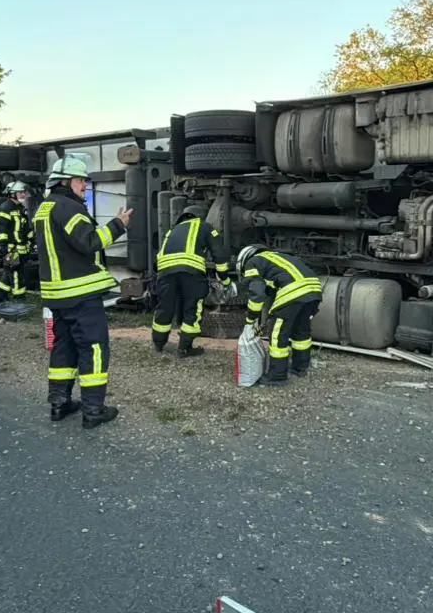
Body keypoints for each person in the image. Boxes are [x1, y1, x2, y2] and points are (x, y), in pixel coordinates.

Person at [32, 155, 132, 428]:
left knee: (63, 348)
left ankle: (59, 404)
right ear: (64, 181)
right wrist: (118, 225)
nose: (84, 185)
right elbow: (89, 242)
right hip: (80, 293)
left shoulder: (44, 208)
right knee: (94, 348)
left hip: (57, 294)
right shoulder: (69, 208)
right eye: (79, 180)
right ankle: (93, 410)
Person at [235, 244, 323, 386]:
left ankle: (277, 376)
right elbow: (272, 289)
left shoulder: (252, 262)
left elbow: (257, 293)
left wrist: (251, 318)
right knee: (301, 332)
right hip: (314, 290)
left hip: (294, 291)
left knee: (277, 335)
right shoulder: (277, 258)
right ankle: (300, 368)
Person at [151, 204, 230, 357]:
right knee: (192, 309)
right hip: (191, 272)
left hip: (165, 272)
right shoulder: (205, 226)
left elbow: (159, 256)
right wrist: (224, 278)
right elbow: (219, 253)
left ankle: (158, 344)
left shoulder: (171, 231)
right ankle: (184, 348)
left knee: (164, 308)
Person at [0, 179, 34, 302]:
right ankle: (19, 299)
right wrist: (4, 248)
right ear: (12, 194)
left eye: (24, 192)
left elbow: (25, 228)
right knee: (17, 275)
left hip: (21, 249)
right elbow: (1, 230)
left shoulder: (20, 208)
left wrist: (32, 240)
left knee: (9, 275)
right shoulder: (5, 208)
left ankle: (0, 298)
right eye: (21, 192)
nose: (24, 195)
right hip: (12, 250)